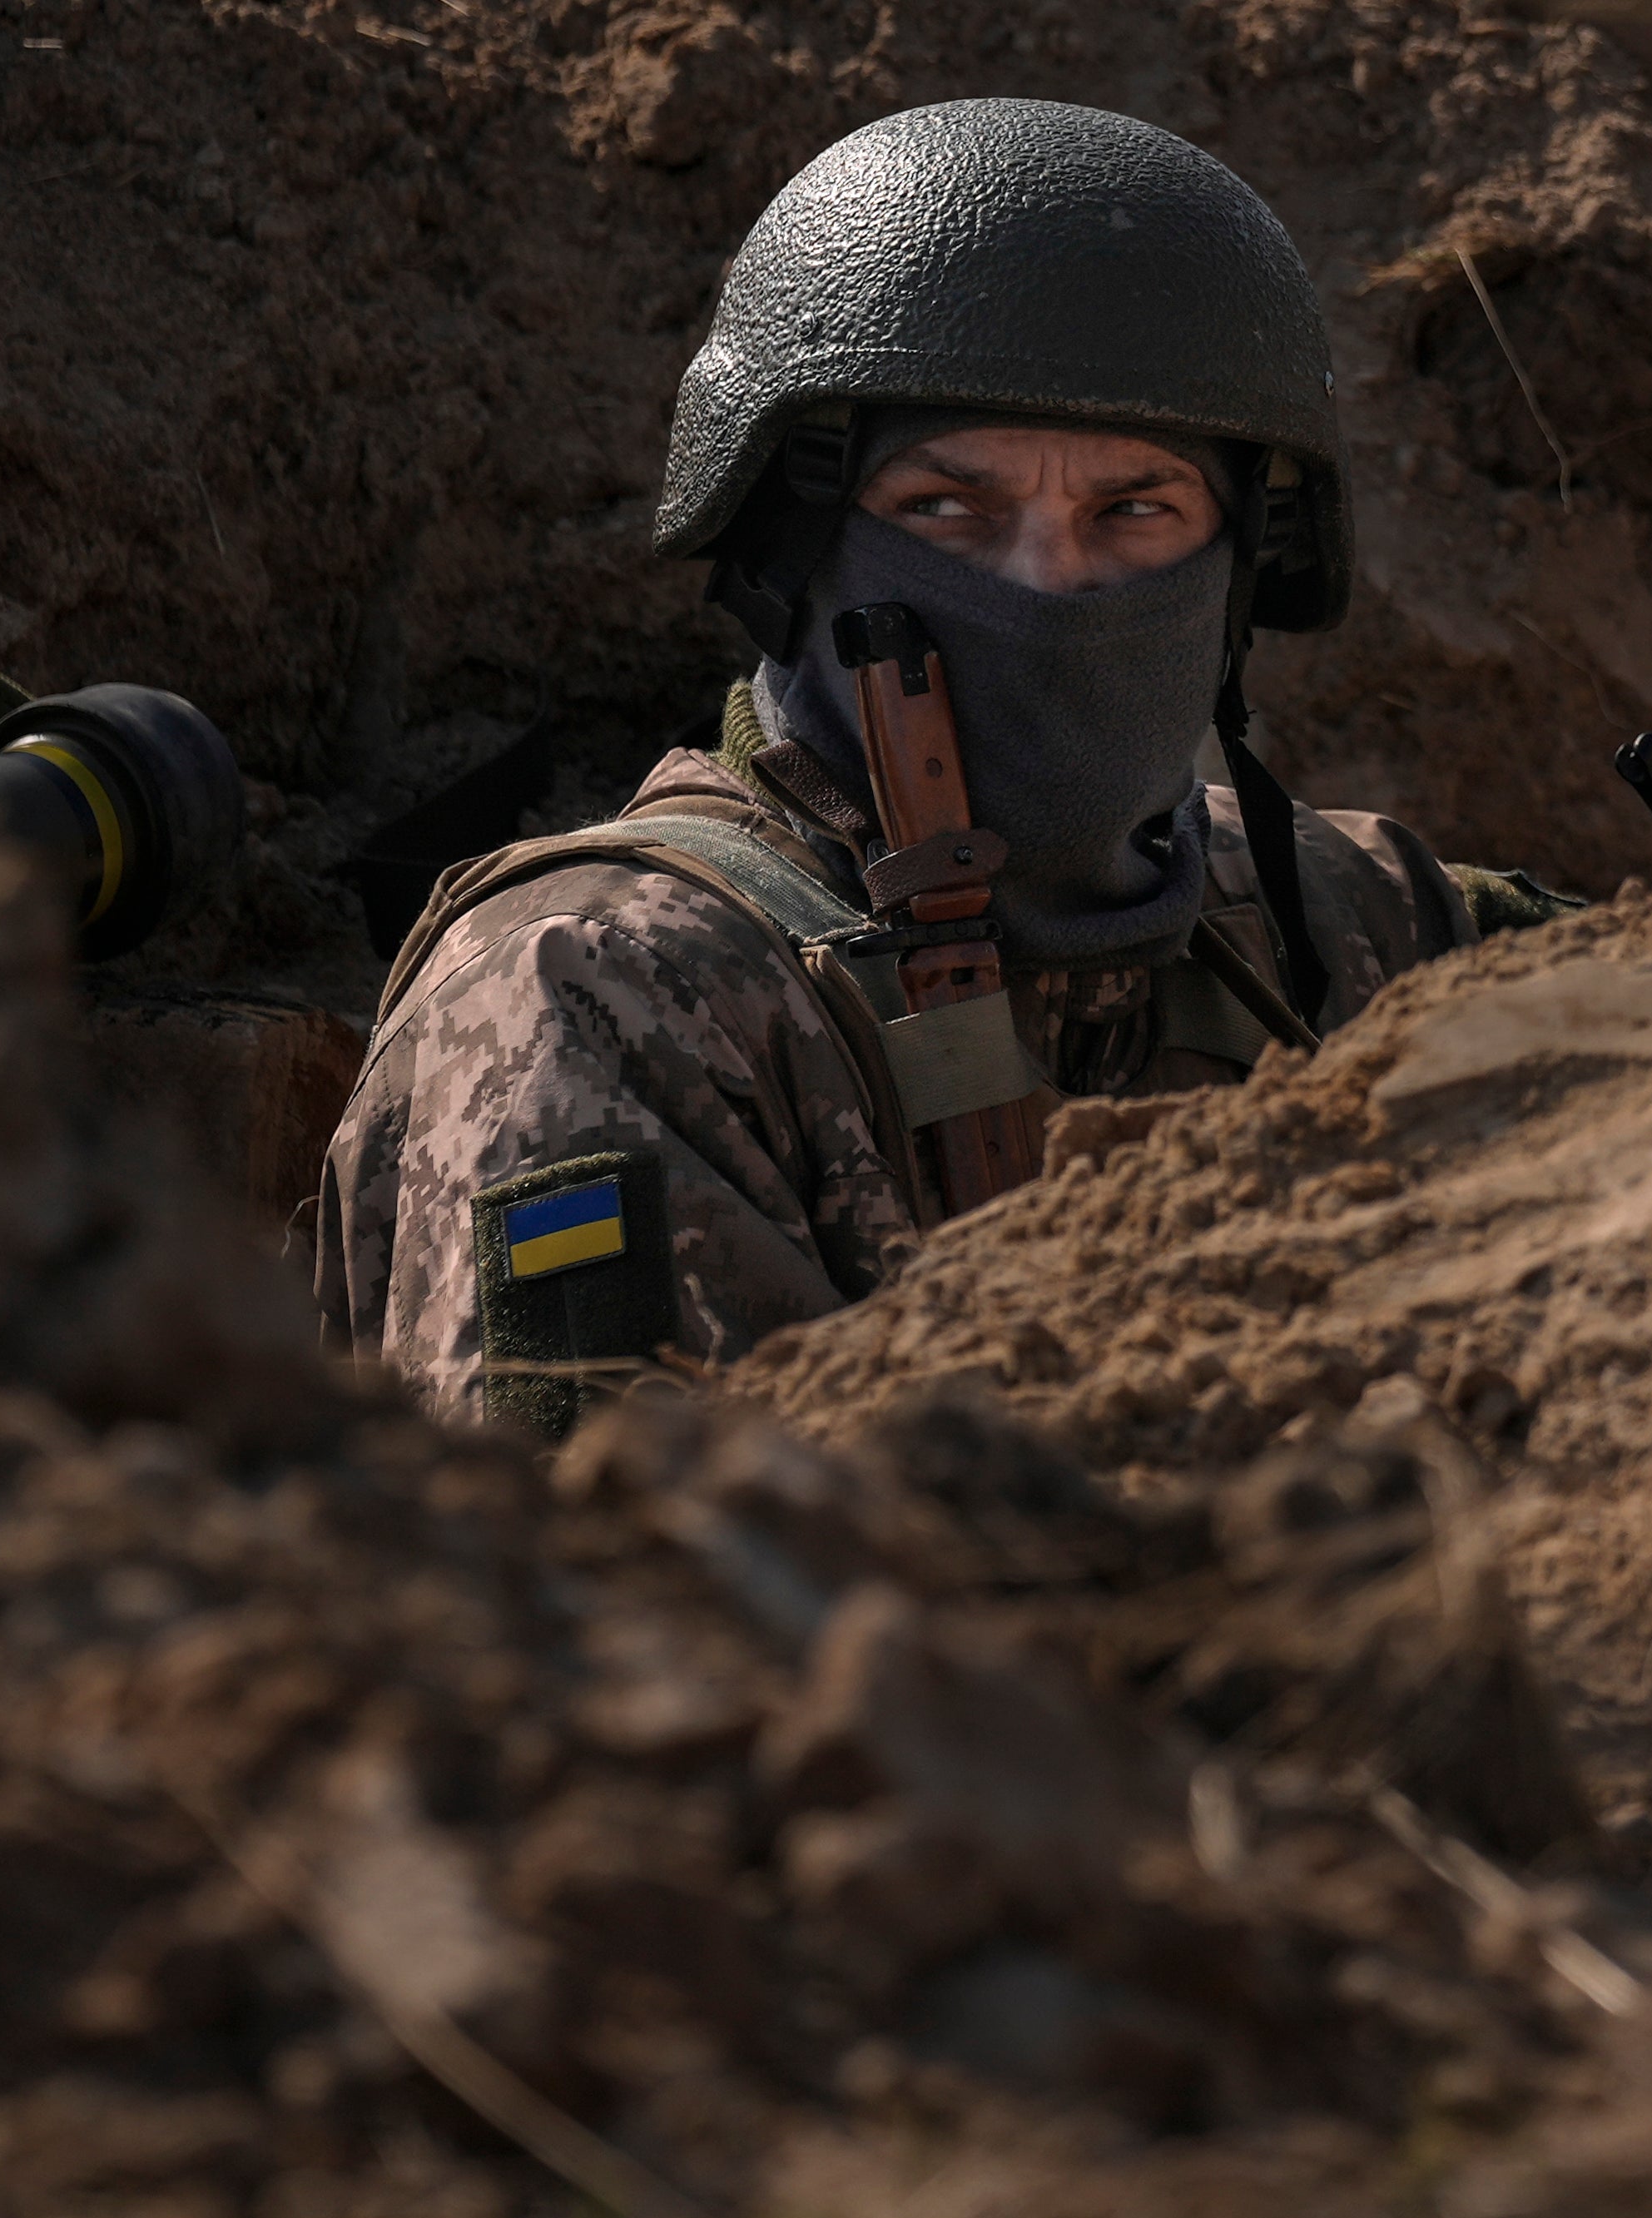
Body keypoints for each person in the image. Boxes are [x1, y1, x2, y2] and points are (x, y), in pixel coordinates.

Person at [322, 97, 1560, 1435]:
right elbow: (634, 1602)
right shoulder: (607, 994)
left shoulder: (1356, 924)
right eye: (946, 510)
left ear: (1241, 565)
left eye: (1136, 510)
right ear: (796, 548)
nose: (1050, 585)